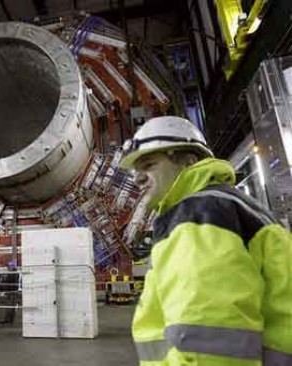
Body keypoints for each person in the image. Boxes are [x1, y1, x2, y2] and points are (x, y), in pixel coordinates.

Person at [120, 116, 292, 366]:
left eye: (149, 164)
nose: (138, 178)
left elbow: (209, 346)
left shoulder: (199, 215)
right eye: (137, 170)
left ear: (188, 162)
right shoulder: (233, 208)